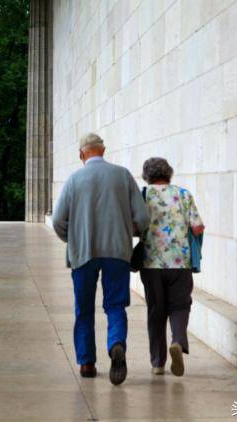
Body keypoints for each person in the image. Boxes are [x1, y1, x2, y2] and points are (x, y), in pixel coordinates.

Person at [52, 133, 150, 385]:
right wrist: (128, 232)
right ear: (103, 151)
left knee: (83, 308)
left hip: (83, 253)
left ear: (81, 154)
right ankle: (116, 343)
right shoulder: (123, 175)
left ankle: (87, 363)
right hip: (117, 252)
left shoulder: (74, 179)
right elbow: (142, 217)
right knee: (115, 305)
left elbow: (58, 220)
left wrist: (74, 238)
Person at [139, 157, 204, 376]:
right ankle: (177, 341)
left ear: (147, 176)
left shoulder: (144, 195)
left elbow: (135, 225)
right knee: (180, 306)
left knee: (156, 310)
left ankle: (158, 363)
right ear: (169, 173)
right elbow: (198, 227)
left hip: (152, 263)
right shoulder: (183, 194)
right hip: (180, 262)